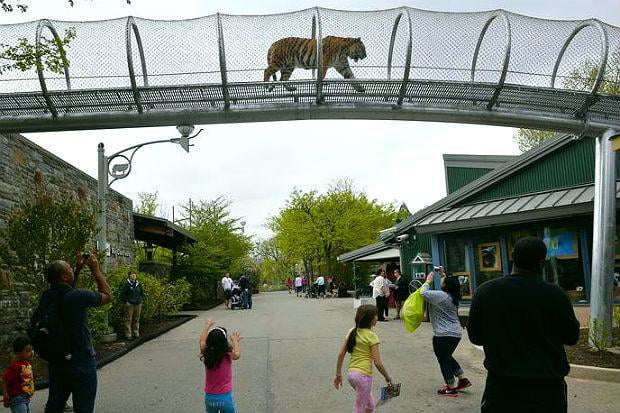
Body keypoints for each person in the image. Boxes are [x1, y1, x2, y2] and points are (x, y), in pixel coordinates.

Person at [468, 237, 580, 413]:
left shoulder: (485, 292)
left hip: (502, 389)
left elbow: (475, 337)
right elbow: (572, 337)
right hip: (547, 391)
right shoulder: (556, 295)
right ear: (542, 262)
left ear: (513, 258)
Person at [36, 254, 112, 413]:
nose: (72, 268)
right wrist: (95, 270)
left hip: (57, 361)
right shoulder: (78, 296)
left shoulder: (47, 296)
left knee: (55, 405)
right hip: (81, 361)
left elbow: (66, 291)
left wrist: (77, 269)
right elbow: (107, 296)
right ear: (64, 276)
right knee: (84, 407)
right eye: (69, 268)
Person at [334, 304, 393, 413]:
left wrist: (338, 374)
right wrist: (388, 378)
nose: (377, 317)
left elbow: (341, 354)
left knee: (370, 405)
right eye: (375, 315)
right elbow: (378, 363)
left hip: (352, 375)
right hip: (363, 377)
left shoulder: (352, 331)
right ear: (370, 320)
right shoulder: (372, 336)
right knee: (359, 407)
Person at [420, 270, 471, 396]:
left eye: (443, 281)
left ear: (445, 285)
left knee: (443, 359)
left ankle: (450, 387)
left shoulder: (440, 295)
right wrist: (443, 275)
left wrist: (428, 280)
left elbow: (423, 292)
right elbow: (450, 284)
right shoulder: (453, 296)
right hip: (455, 333)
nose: (441, 281)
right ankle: (462, 379)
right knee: (447, 357)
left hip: (442, 335)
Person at [199, 319, 242, 413]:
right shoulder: (228, 354)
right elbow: (237, 354)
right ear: (224, 341)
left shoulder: (207, 354)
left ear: (208, 340)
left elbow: (201, 341)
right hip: (225, 398)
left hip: (210, 398)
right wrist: (235, 341)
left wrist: (207, 325)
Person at [2, 336, 35, 413]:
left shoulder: (27, 363)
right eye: (28, 351)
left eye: (31, 349)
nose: (31, 352)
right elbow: (4, 379)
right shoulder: (16, 366)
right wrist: (5, 396)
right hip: (17, 398)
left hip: (25, 397)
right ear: (18, 353)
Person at [119, 271, 145, 340]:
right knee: (128, 319)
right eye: (131, 274)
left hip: (138, 303)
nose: (133, 276)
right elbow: (122, 294)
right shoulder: (127, 284)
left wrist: (141, 300)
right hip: (130, 304)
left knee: (136, 319)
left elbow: (142, 293)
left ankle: (136, 333)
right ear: (129, 276)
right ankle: (128, 334)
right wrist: (126, 301)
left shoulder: (138, 284)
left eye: (134, 274)